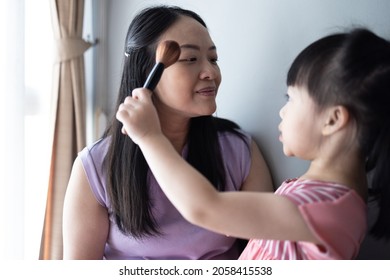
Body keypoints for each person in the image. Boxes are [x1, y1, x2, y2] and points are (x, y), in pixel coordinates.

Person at [116, 28, 390, 260]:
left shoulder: (324, 207)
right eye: (190, 58)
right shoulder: (328, 196)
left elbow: (204, 207)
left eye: (291, 99)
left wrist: (150, 138)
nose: (283, 112)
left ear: (333, 120)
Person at [62, 5, 273, 260]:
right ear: (146, 72)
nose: (210, 73)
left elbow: (267, 254)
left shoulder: (239, 151)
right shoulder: (95, 167)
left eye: (213, 59)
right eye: (190, 59)